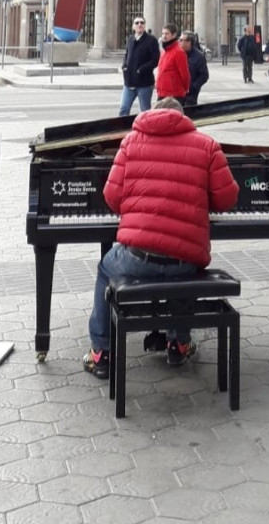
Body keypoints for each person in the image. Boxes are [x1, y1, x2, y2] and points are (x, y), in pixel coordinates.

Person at [84, 98, 240, 375]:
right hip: (184, 259)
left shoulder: (131, 143)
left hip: (137, 257)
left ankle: (101, 352)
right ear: (182, 117)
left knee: (105, 269)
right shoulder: (207, 145)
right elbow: (227, 198)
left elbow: (111, 198)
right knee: (183, 270)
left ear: (152, 114)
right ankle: (178, 344)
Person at [119, 15, 160, 116]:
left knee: (145, 110)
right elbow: (127, 54)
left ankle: (147, 130)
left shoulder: (151, 40)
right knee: (124, 108)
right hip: (129, 82)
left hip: (144, 83)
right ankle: (121, 129)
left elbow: (155, 60)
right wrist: (124, 66)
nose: (139, 25)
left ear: (145, 25)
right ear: (133, 26)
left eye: (142, 22)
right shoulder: (130, 39)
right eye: (137, 23)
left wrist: (141, 69)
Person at [156, 23, 190, 104]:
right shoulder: (164, 51)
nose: (164, 36)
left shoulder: (178, 52)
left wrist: (185, 89)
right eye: (163, 33)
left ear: (174, 35)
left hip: (173, 94)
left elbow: (185, 74)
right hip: (162, 92)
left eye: (167, 33)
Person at [180, 30, 209, 106]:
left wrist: (193, 87)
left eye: (182, 40)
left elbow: (204, 75)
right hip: (177, 92)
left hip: (190, 94)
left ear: (189, 42)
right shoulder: (178, 53)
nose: (179, 42)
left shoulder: (199, 57)